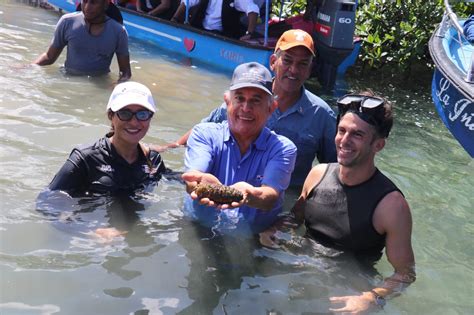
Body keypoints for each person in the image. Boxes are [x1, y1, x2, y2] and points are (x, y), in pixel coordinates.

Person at [262, 91, 416, 314]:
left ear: (378, 145)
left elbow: (405, 274)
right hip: (298, 275)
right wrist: (273, 230)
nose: (344, 141)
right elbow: (294, 219)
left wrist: (371, 298)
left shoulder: (392, 205)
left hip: (344, 295)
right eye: (342, 130)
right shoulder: (318, 174)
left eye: (357, 135)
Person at [162, 29, 337, 187]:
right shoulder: (242, 101)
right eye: (288, 61)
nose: (293, 70)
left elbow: (333, 167)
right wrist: (168, 147)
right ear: (273, 61)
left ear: (310, 70)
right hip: (228, 186)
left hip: (283, 197)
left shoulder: (321, 114)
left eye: (302, 64)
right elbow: (203, 131)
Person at [182, 62, 297, 232]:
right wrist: (197, 183)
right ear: (227, 101)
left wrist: (249, 195)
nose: (246, 108)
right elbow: (194, 177)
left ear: (271, 108)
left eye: (256, 101)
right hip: (197, 230)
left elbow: (270, 196)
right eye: (240, 98)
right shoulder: (203, 134)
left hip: (252, 241)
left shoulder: (283, 149)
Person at [48, 81, 167, 194]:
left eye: (143, 114)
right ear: (111, 116)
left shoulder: (152, 160)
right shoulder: (86, 158)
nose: (134, 122)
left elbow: (174, 180)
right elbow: (50, 201)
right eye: (125, 113)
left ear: (150, 117)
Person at [33, 0, 132, 83]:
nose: (87, 7)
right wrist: (30, 67)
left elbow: (125, 72)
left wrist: (116, 85)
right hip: (67, 79)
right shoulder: (67, 22)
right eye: (84, 1)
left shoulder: (119, 32)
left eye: (93, 3)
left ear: (105, 4)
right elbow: (49, 57)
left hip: (99, 85)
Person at [171, 0, 259, 40]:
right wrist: (174, 18)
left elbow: (252, 9)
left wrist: (249, 33)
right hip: (200, 29)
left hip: (223, 35)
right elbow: (187, 2)